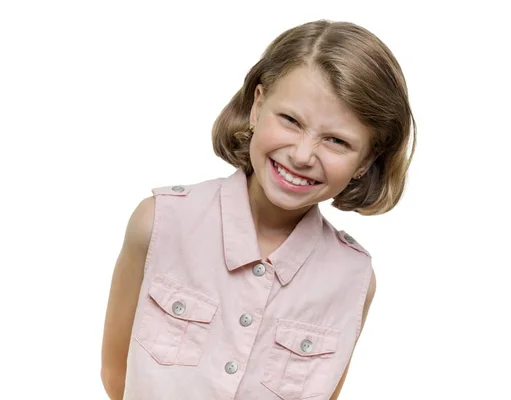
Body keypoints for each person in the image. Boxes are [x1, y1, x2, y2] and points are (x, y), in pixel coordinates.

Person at [101, 19, 416, 400]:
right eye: (290, 121)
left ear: (366, 161)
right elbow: (116, 374)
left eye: (336, 141)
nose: (302, 156)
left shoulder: (354, 279)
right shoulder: (159, 223)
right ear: (258, 105)